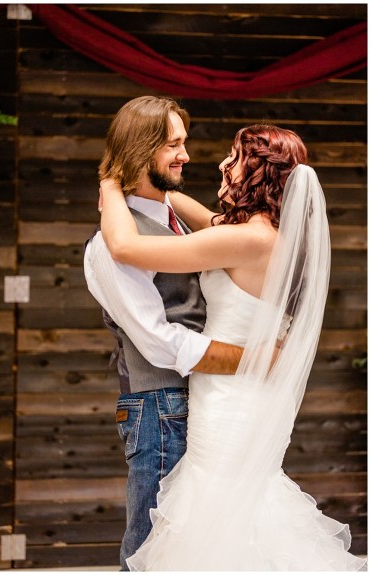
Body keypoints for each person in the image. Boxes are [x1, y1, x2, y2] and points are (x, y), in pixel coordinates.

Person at [98, 123, 366, 570]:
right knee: (240, 501)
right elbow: (187, 208)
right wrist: (147, 175)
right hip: (245, 393)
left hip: (231, 399)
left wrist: (109, 180)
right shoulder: (265, 234)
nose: (223, 163)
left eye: (234, 156)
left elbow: (125, 247)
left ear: (259, 172)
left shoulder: (247, 240)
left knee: (219, 504)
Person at [83, 95, 244, 571]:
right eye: (173, 144)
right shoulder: (112, 243)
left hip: (193, 398)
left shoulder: (170, 210)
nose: (186, 155)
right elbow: (159, 341)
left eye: (184, 142)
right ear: (141, 150)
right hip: (158, 407)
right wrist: (249, 359)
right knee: (152, 547)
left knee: (193, 539)